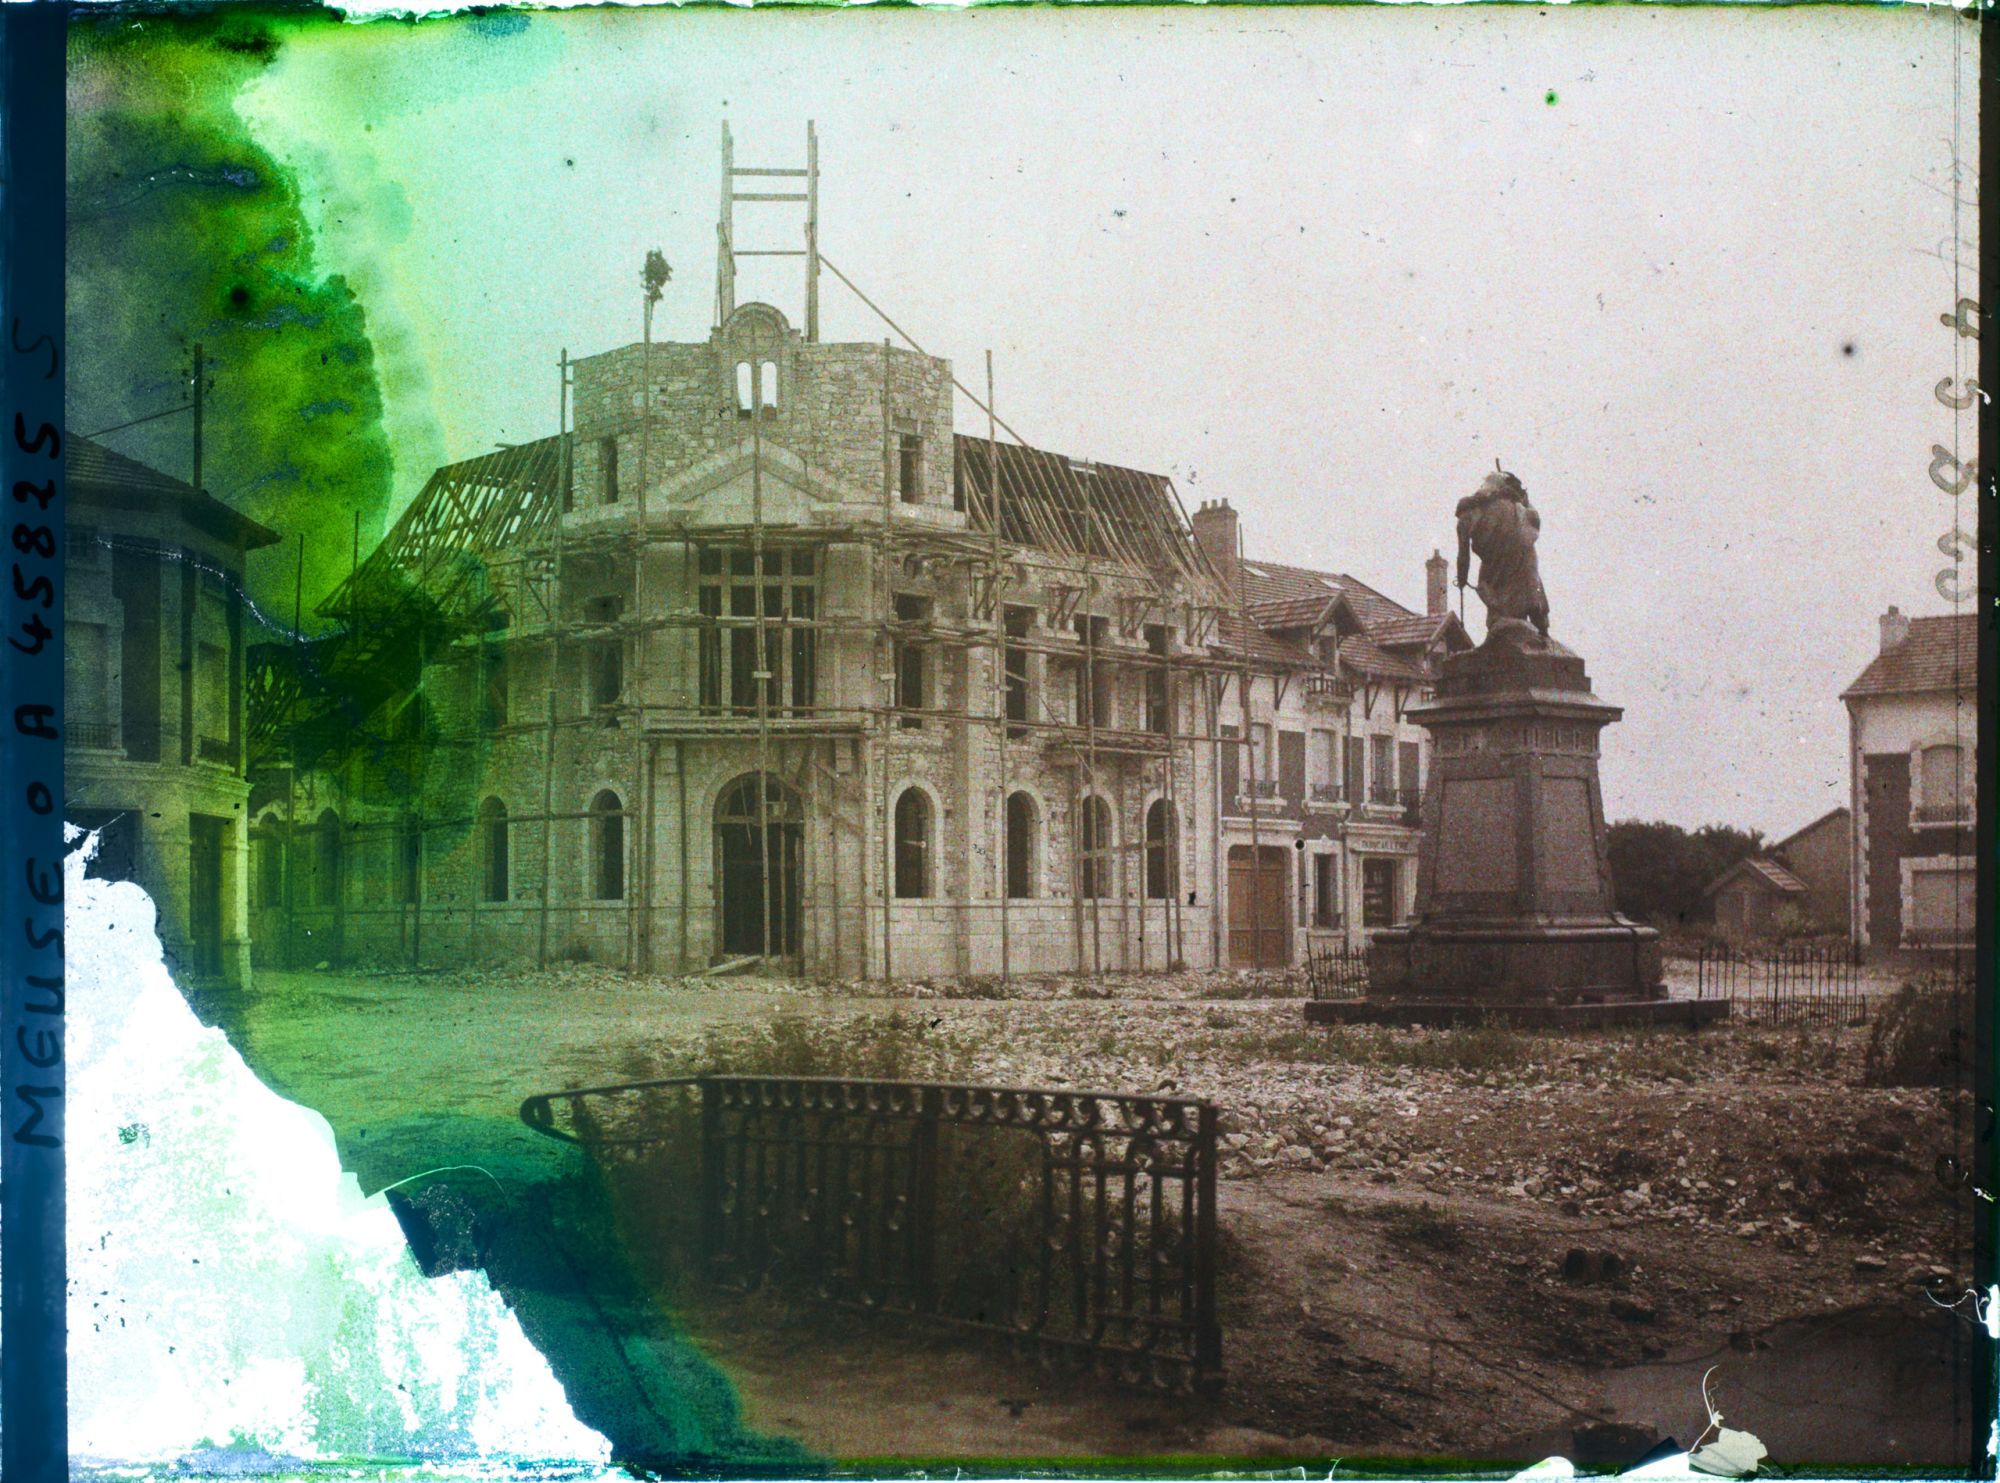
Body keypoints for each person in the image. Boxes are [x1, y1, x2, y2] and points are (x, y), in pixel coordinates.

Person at [1454, 466, 1550, 646]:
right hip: (1522, 565)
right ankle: (1541, 630)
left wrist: (1462, 577)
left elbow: (1463, 554)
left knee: (1497, 602)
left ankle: (1520, 631)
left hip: (1496, 568)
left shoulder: (1468, 513)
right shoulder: (1522, 509)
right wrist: (1524, 499)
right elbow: (1532, 525)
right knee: (1530, 593)